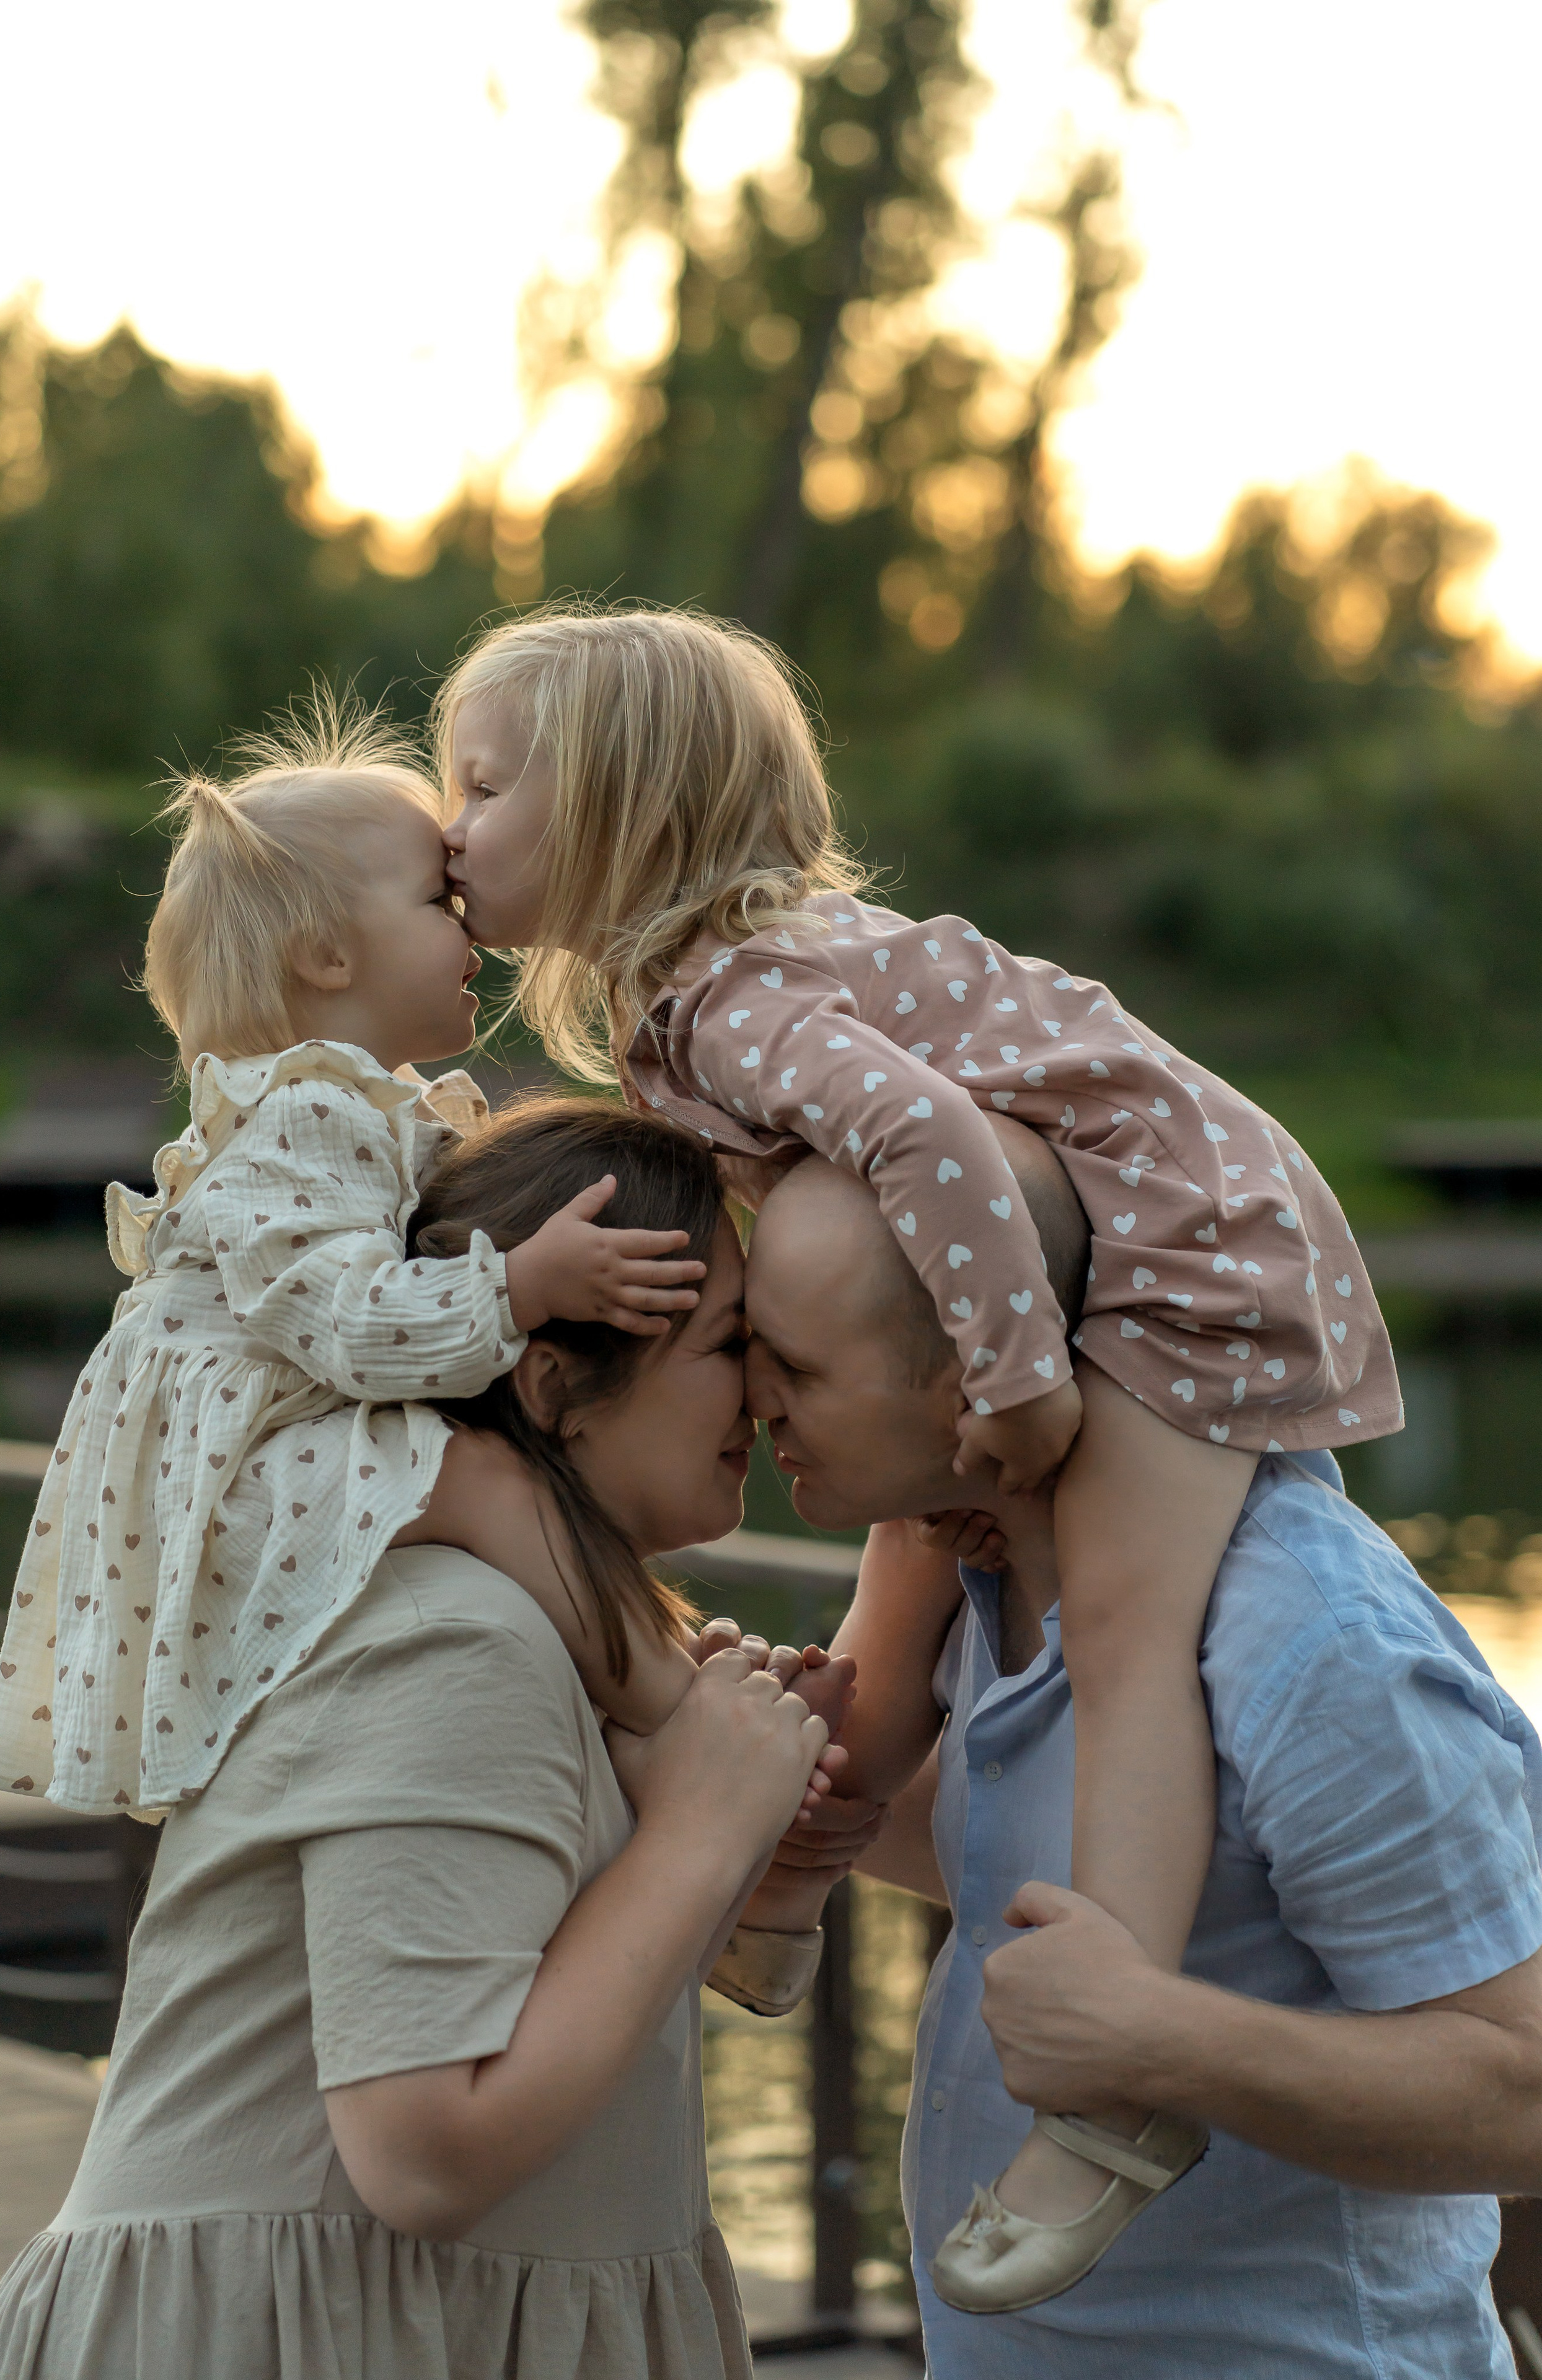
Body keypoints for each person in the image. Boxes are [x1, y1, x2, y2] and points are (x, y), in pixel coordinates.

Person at [432, 598, 1403, 2295]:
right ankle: (783, 1885)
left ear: (610, 815)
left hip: (1180, 1260)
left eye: (486, 787)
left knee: (1121, 1632)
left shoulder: (737, 997)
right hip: (1089, 1250)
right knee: (897, 1602)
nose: (455, 830)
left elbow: (925, 1135)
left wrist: (1023, 1384)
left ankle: (1112, 2087)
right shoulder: (704, 997)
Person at [0, 1099, 840, 2380]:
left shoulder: (540, 1631)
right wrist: (702, 1832)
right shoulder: (452, 1635)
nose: (761, 1392)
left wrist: (771, 1849)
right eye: (725, 1343)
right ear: (555, 1387)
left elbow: (555, 1988)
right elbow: (425, 2149)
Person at [739, 1123, 1542, 2376]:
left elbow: (1522, 2091)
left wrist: (1159, 2044)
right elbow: (1006, 1854)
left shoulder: (1311, 1644)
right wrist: (742, 1773)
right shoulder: (970, 1565)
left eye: (789, 1361)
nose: (753, 1395)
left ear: (974, 1371)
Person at [0, 701, 712, 1825]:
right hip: (243, 1470)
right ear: (327, 955)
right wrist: (523, 1285)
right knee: (492, 1484)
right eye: (438, 903)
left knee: (499, 1489)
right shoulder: (305, 1116)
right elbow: (352, 1326)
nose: (472, 929)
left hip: (266, 1442)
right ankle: (675, 1701)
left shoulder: (347, 1110)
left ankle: (646, 1677)